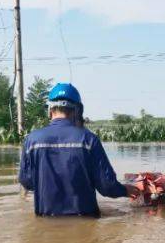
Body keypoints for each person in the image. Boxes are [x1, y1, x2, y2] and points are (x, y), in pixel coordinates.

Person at [18, 83, 140, 216]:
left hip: (46, 220)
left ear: (50, 110)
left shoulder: (31, 140)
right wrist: (126, 190)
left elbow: (27, 182)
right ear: (77, 110)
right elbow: (107, 186)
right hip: (85, 219)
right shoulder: (88, 139)